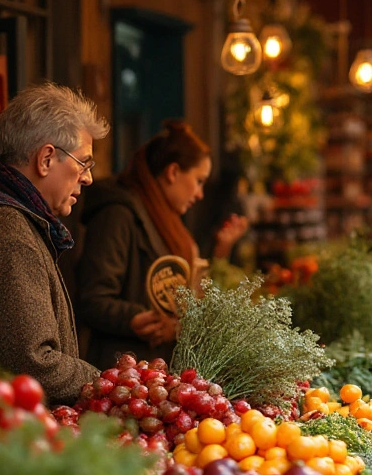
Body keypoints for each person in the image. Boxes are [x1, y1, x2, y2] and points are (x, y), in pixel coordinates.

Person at [0, 82, 104, 404]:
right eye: (84, 162)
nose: (87, 177)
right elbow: (36, 366)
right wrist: (106, 381)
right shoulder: (9, 238)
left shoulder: (4, 220)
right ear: (46, 159)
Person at [77, 121, 247, 369]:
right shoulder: (117, 215)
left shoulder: (165, 218)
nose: (200, 194)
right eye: (198, 181)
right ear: (173, 172)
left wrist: (221, 250)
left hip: (157, 372)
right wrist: (136, 319)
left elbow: (187, 291)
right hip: (122, 375)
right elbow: (92, 299)